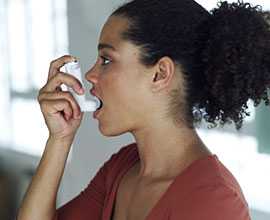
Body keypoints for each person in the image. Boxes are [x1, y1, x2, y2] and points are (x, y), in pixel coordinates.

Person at [17, 0, 270, 219]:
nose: (91, 75)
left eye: (106, 60)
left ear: (160, 74)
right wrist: (60, 139)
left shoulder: (214, 201)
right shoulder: (122, 167)